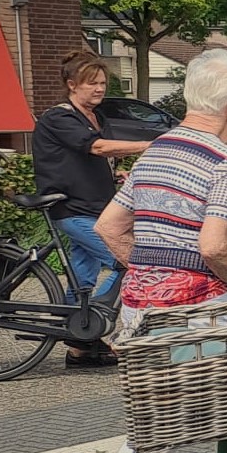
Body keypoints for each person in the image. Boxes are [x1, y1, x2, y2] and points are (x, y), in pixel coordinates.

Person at [51, 49, 227, 453]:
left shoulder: (156, 152)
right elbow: (216, 242)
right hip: (202, 310)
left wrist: (149, 273)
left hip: (143, 312)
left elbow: (109, 227)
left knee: (167, 414)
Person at [33, 50, 152, 367]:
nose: (99, 89)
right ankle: (88, 327)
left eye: (102, 83)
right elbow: (95, 148)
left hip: (96, 208)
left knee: (81, 275)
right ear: (72, 85)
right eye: (91, 84)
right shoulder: (59, 117)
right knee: (128, 258)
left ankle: (79, 346)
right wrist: (150, 144)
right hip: (70, 208)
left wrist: (117, 173)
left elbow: (92, 159)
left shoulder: (96, 118)